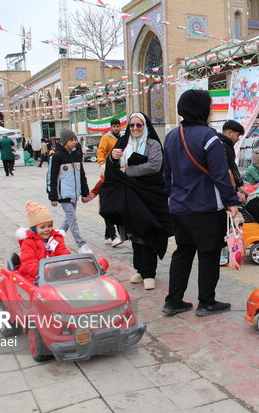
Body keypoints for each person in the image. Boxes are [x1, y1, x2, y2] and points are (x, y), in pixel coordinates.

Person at [162, 89, 239, 317]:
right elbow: (220, 174)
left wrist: (170, 195)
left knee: (183, 252)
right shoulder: (210, 137)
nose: (211, 110)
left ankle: (173, 301)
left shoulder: (172, 136)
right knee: (209, 253)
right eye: (210, 106)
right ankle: (206, 302)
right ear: (201, 109)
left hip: (179, 207)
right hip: (206, 208)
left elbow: (166, 174)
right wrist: (231, 201)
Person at [100, 112, 173, 290]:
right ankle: (140, 269)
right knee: (134, 233)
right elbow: (111, 167)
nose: (135, 129)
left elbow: (155, 165)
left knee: (147, 232)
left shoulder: (153, 144)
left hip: (149, 194)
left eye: (138, 125)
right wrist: (112, 158)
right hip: (129, 195)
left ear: (145, 126)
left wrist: (128, 171)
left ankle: (150, 273)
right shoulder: (123, 143)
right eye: (132, 125)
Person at [47, 129, 92, 254]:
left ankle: (54, 240)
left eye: (75, 140)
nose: (74, 142)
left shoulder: (76, 155)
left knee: (68, 219)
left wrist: (84, 192)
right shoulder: (56, 157)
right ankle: (82, 245)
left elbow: (81, 175)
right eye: (71, 140)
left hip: (74, 194)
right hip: (64, 194)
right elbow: (51, 176)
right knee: (72, 219)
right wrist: (53, 197)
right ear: (65, 141)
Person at [16, 200, 70, 284]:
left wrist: (67, 263)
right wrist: (44, 273)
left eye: (49, 226)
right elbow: (29, 263)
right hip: (35, 275)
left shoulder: (56, 238)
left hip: (55, 273)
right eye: (42, 227)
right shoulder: (28, 242)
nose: (47, 229)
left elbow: (63, 252)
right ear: (34, 228)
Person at [97, 119, 124, 246]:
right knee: (109, 205)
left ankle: (108, 235)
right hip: (108, 171)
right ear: (111, 127)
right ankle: (113, 235)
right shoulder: (106, 138)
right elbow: (101, 151)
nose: (116, 128)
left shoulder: (122, 137)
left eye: (118, 126)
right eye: (114, 126)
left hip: (118, 172)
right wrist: (102, 164)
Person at [218, 120, 247, 201]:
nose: (238, 139)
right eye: (237, 135)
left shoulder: (228, 146)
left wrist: (240, 184)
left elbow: (232, 165)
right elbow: (224, 170)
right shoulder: (220, 145)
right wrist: (234, 191)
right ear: (230, 133)